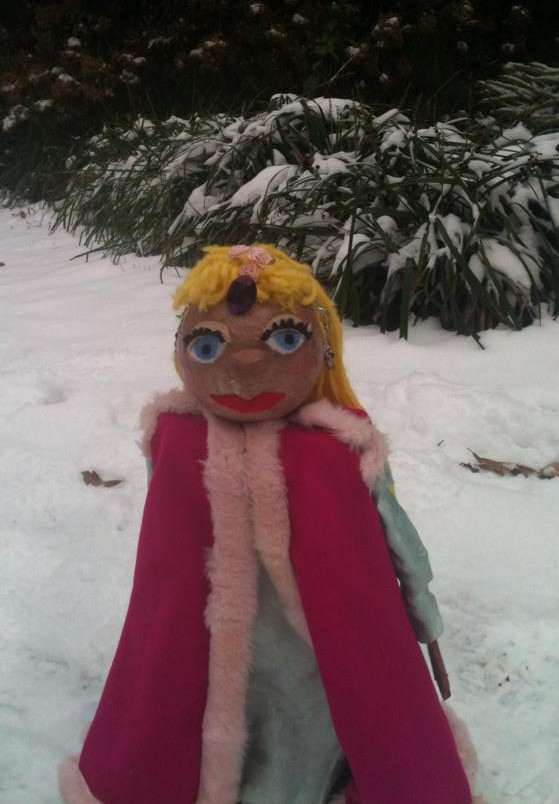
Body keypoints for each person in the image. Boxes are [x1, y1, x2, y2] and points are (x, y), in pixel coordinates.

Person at [60, 244, 474, 804]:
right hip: (202, 631)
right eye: (209, 346)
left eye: (284, 339)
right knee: (192, 695)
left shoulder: (338, 448)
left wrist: (419, 611)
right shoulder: (176, 437)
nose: (247, 365)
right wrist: (422, 615)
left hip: (312, 646)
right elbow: (165, 546)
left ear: (322, 347)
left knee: (320, 706)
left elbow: (393, 538)